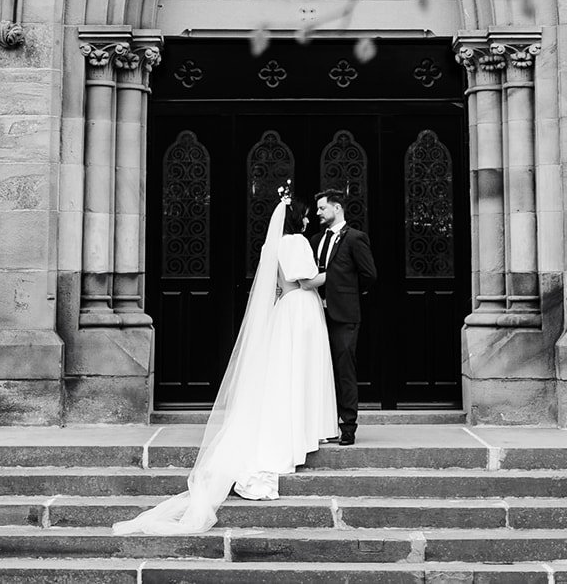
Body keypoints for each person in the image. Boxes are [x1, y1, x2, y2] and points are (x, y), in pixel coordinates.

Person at [113, 184, 336, 535]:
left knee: (288, 371)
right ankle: (303, 429)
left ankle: (303, 426)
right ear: (299, 216)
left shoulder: (275, 243)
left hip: (288, 307)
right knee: (299, 370)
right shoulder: (295, 243)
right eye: (307, 213)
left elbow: (280, 284)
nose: (310, 218)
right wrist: (338, 271)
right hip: (300, 309)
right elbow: (307, 281)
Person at [308, 188, 377, 446]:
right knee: (318, 370)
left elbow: (369, 274)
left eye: (322, 208)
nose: (318, 213)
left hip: (345, 314)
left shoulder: (355, 238)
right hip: (315, 313)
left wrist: (344, 293)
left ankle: (347, 425)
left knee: (344, 369)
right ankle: (321, 424)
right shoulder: (315, 240)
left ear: (337, 208)